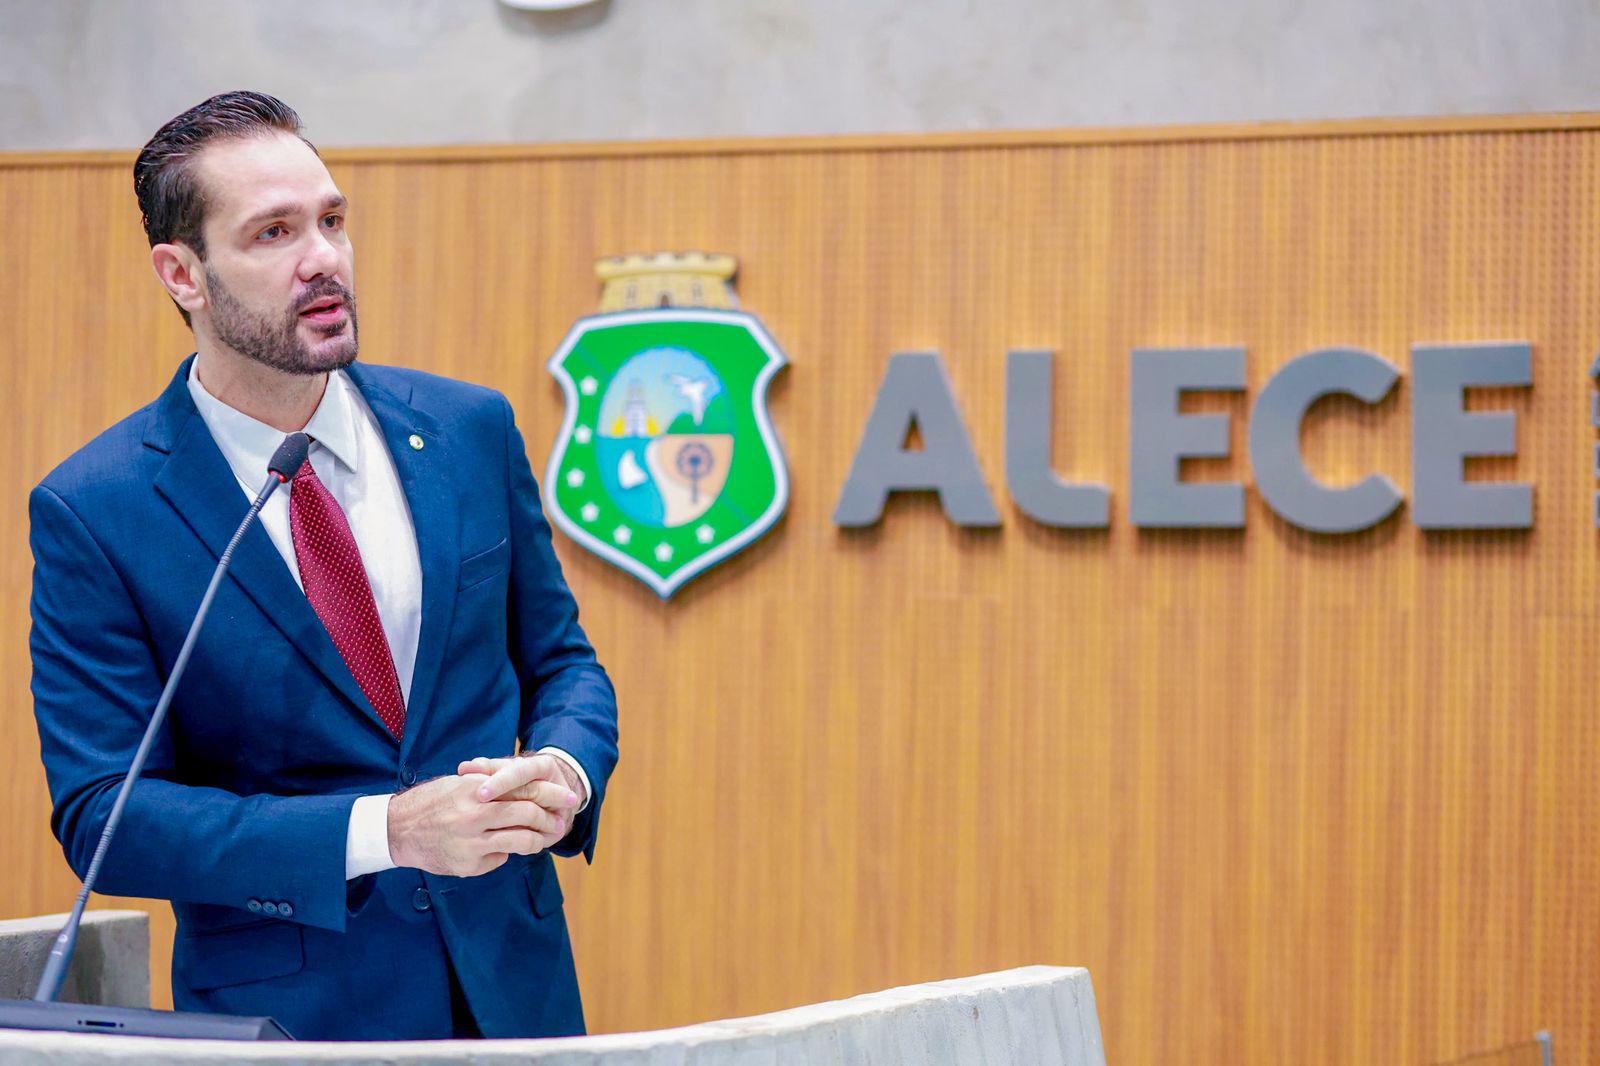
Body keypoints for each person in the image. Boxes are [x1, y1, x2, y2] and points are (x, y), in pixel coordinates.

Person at [27, 90, 618, 1041]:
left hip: (515, 994)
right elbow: (107, 817)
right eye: (273, 233)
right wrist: (388, 831)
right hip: (294, 1024)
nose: (323, 259)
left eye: (331, 221)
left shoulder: (468, 429)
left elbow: (563, 663)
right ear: (182, 273)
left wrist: (564, 769)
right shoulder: (97, 510)